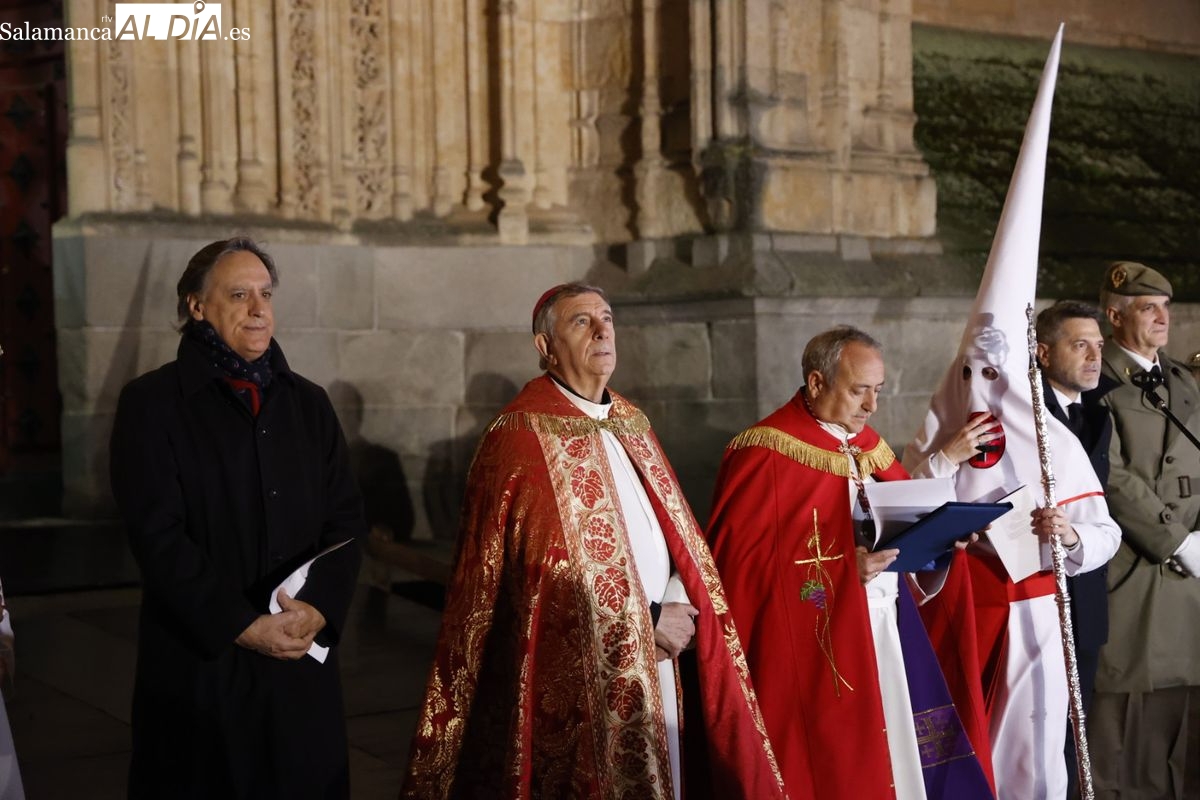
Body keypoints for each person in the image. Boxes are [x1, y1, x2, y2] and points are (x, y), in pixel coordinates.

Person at [402, 283, 785, 800]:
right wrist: (645, 620)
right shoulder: (518, 437)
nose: (603, 331)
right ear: (545, 346)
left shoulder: (631, 419)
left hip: (666, 649)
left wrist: (678, 600)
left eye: (607, 318)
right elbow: (536, 578)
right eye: (582, 322)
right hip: (591, 677)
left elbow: (676, 532)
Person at [109, 238, 365, 798]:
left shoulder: (309, 404)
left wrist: (319, 608)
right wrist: (240, 624)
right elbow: (157, 535)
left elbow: (345, 520)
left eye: (266, 294)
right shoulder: (151, 404)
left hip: (298, 661)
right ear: (197, 306)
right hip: (202, 665)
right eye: (239, 294)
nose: (258, 309)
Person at [707, 326, 993, 799]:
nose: (872, 406)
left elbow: (900, 524)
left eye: (878, 390)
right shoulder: (765, 451)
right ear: (817, 382)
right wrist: (841, 572)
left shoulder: (867, 445)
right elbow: (738, 572)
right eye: (860, 390)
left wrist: (940, 542)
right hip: (822, 639)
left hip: (887, 630)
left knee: (897, 762)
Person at [1090, 262, 1200, 800]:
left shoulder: (1181, 378)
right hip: (1136, 566)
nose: (1162, 318)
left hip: (1190, 573)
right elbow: (1107, 472)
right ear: (1115, 317)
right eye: (1147, 308)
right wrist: (1176, 540)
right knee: (1118, 730)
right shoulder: (1098, 379)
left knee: (1180, 723)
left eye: (1166, 307)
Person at [1034, 300, 1116, 796]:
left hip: (1087, 589)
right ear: (1043, 353)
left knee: (1075, 733)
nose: (1094, 356)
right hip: (1036, 597)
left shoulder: (1098, 412)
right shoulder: (1026, 417)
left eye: (1099, 346)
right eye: (1079, 344)